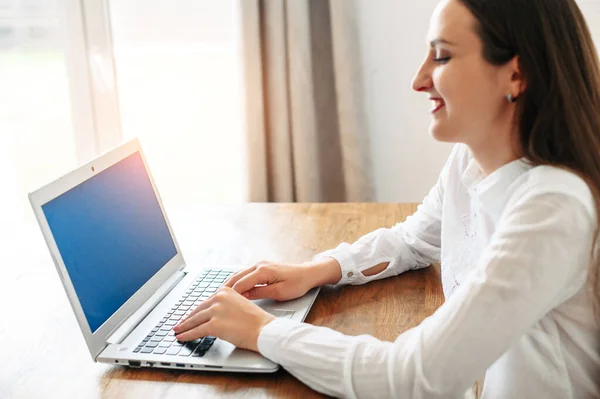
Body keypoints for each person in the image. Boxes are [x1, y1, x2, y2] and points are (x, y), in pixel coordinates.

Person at [174, 0, 600, 397]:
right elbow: (413, 240)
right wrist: (315, 270)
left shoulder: (553, 207)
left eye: (443, 56)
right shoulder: (469, 163)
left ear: (515, 75)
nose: (418, 80)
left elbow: (411, 375)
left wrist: (262, 331)